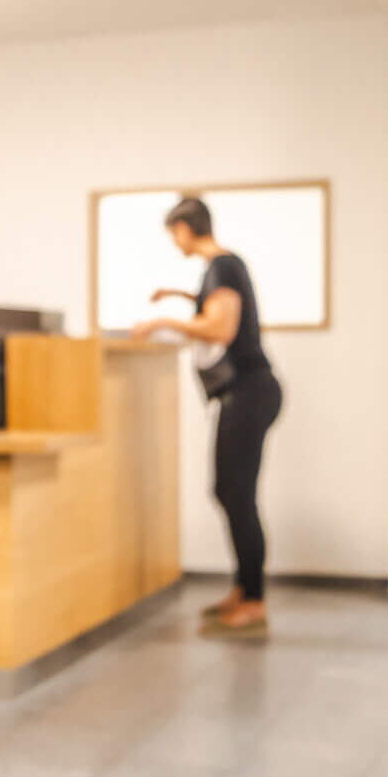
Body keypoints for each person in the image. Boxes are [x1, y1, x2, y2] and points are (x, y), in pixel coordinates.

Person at [129, 196, 282, 640]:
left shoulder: (222, 266)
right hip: (247, 393)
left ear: (184, 229)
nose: (174, 243)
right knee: (228, 491)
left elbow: (221, 328)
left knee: (238, 495)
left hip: (248, 393)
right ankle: (243, 589)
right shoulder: (224, 267)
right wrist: (180, 296)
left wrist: (162, 321)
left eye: (173, 235)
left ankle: (253, 601)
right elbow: (218, 309)